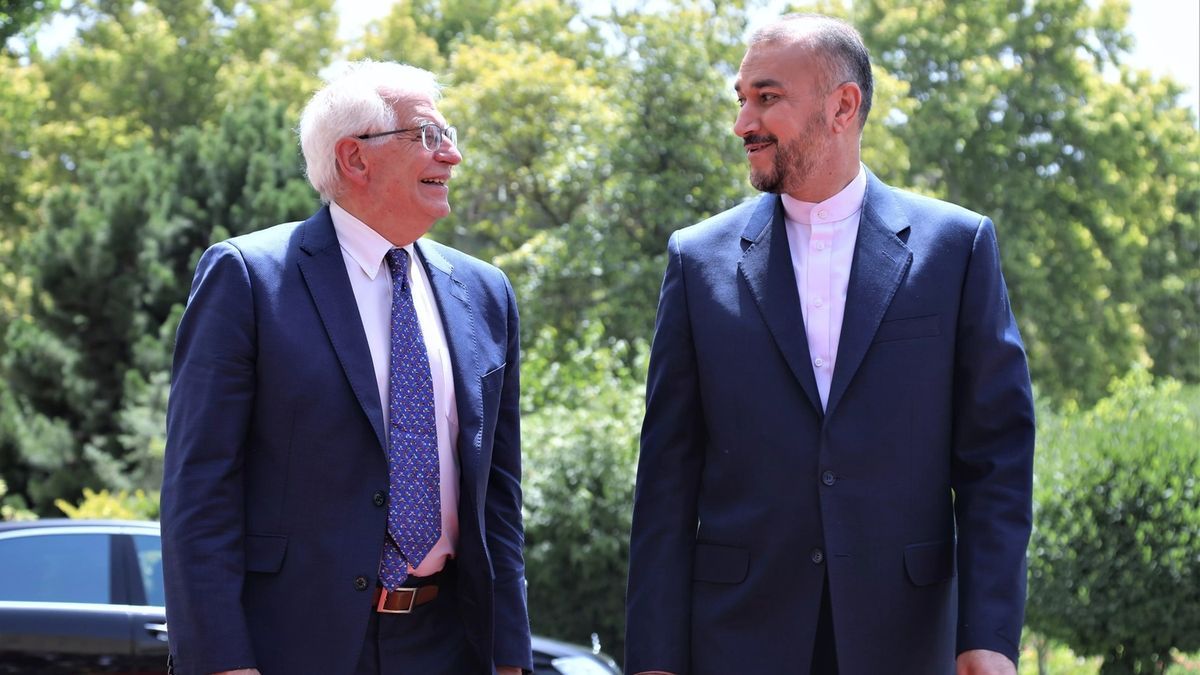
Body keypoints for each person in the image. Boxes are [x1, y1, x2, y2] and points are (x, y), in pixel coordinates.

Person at [624, 14, 1034, 675]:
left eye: (767, 97)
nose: (743, 123)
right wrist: (654, 658)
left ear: (843, 105)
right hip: (737, 641)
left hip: (905, 641)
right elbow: (667, 479)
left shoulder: (957, 249)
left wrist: (988, 634)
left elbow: (997, 460)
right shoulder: (696, 261)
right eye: (742, 99)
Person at [160, 61, 531, 675]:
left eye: (450, 135)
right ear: (355, 158)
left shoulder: (486, 292)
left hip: (450, 645)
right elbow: (199, 493)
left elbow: (499, 497)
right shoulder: (247, 278)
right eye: (430, 137)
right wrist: (222, 662)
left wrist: (510, 657)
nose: (453, 156)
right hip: (290, 648)